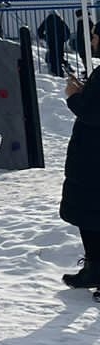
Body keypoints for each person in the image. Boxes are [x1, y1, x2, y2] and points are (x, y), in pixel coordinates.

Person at [61, 25, 100, 287]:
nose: (92, 41)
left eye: (95, 37)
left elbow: (94, 113)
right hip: (91, 157)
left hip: (93, 158)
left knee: (90, 213)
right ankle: (94, 269)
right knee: (90, 215)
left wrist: (74, 97)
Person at [39, 12, 72, 77]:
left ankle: (55, 71)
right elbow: (67, 32)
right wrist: (64, 39)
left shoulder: (47, 20)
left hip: (51, 40)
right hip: (60, 41)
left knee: (52, 55)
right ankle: (60, 71)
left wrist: (44, 37)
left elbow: (40, 31)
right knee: (60, 55)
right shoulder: (61, 20)